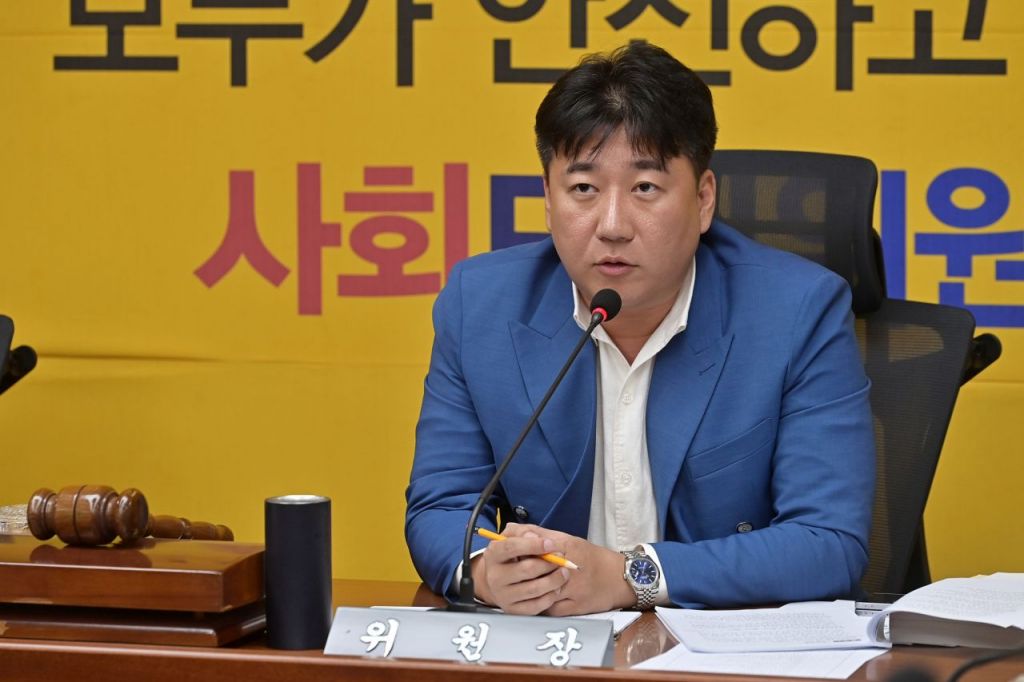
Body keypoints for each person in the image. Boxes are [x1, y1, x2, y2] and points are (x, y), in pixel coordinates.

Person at [405, 41, 874, 616]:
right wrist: (485, 569)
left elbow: (827, 541)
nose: (612, 225)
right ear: (548, 200)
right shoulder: (480, 305)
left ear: (703, 199)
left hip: (729, 648)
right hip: (553, 645)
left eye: (645, 188)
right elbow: (441, 508)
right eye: (583, 188)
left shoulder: (797, 311)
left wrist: (631, 578)